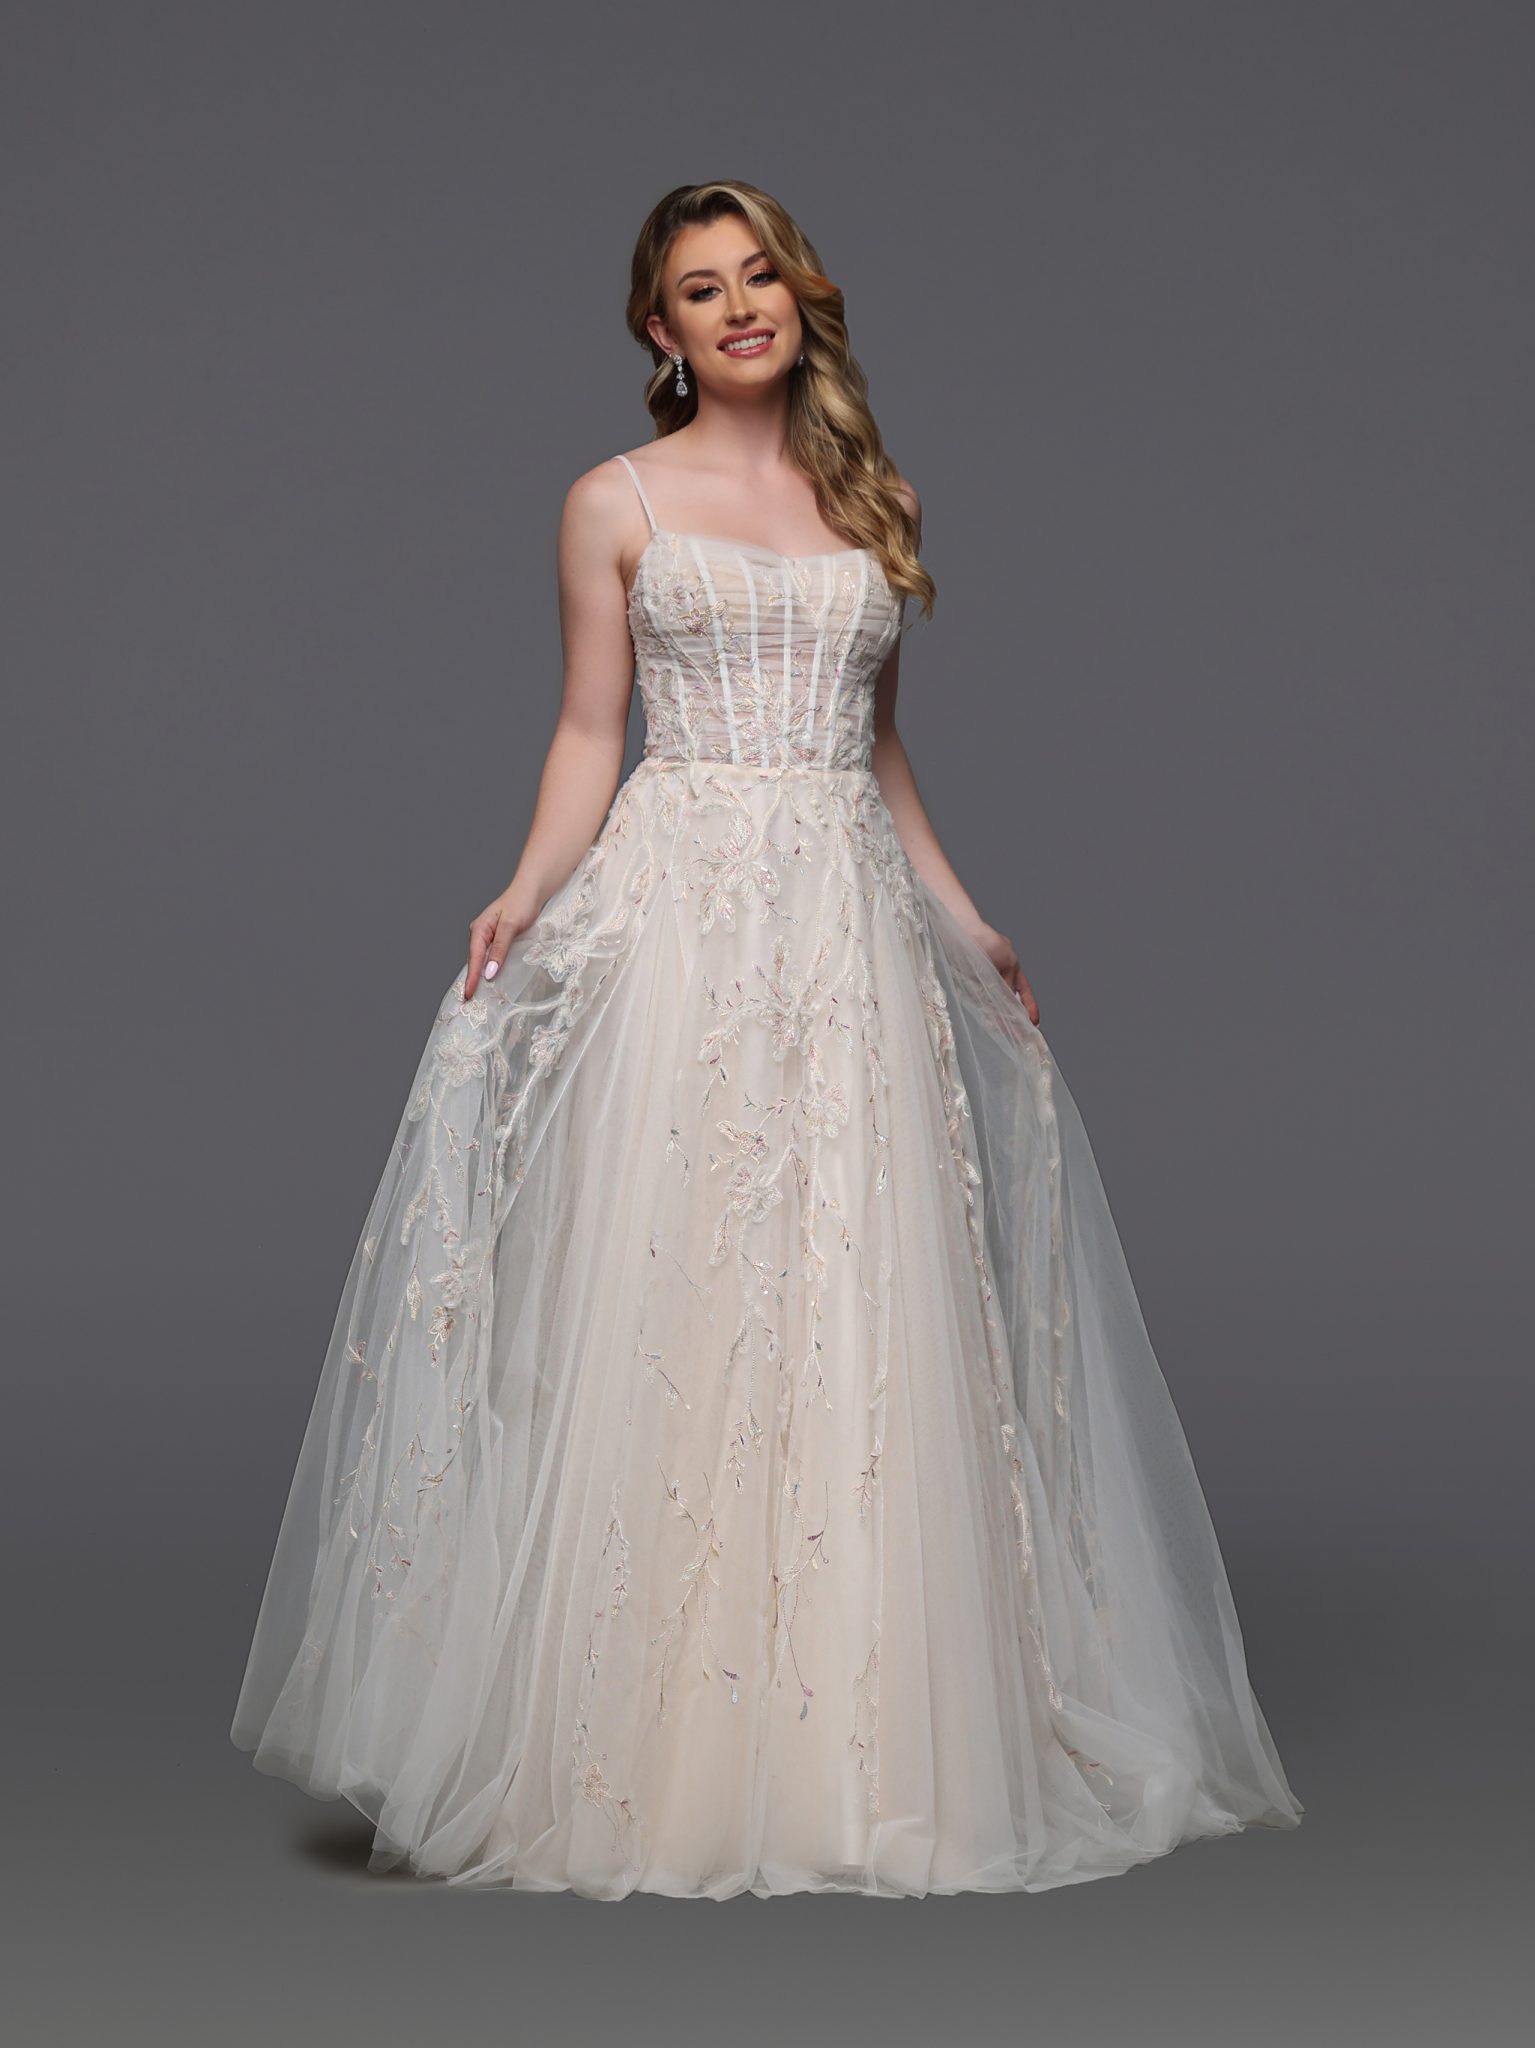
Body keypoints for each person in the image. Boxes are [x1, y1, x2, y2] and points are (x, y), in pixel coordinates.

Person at [230, 178, 1303, 1899]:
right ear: (657, 329)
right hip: (684, 925)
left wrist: (965, 916)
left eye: (760, 277)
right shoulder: (614, 500)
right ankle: (652, 1748)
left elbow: (876, 752)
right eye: (701, 289)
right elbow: (591, 731)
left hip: (847, 928)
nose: (740, 308)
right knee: (678, 1295)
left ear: (801, 297)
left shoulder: (877, 498)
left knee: (857, 1297)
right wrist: (522, 890)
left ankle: (858, 1752)